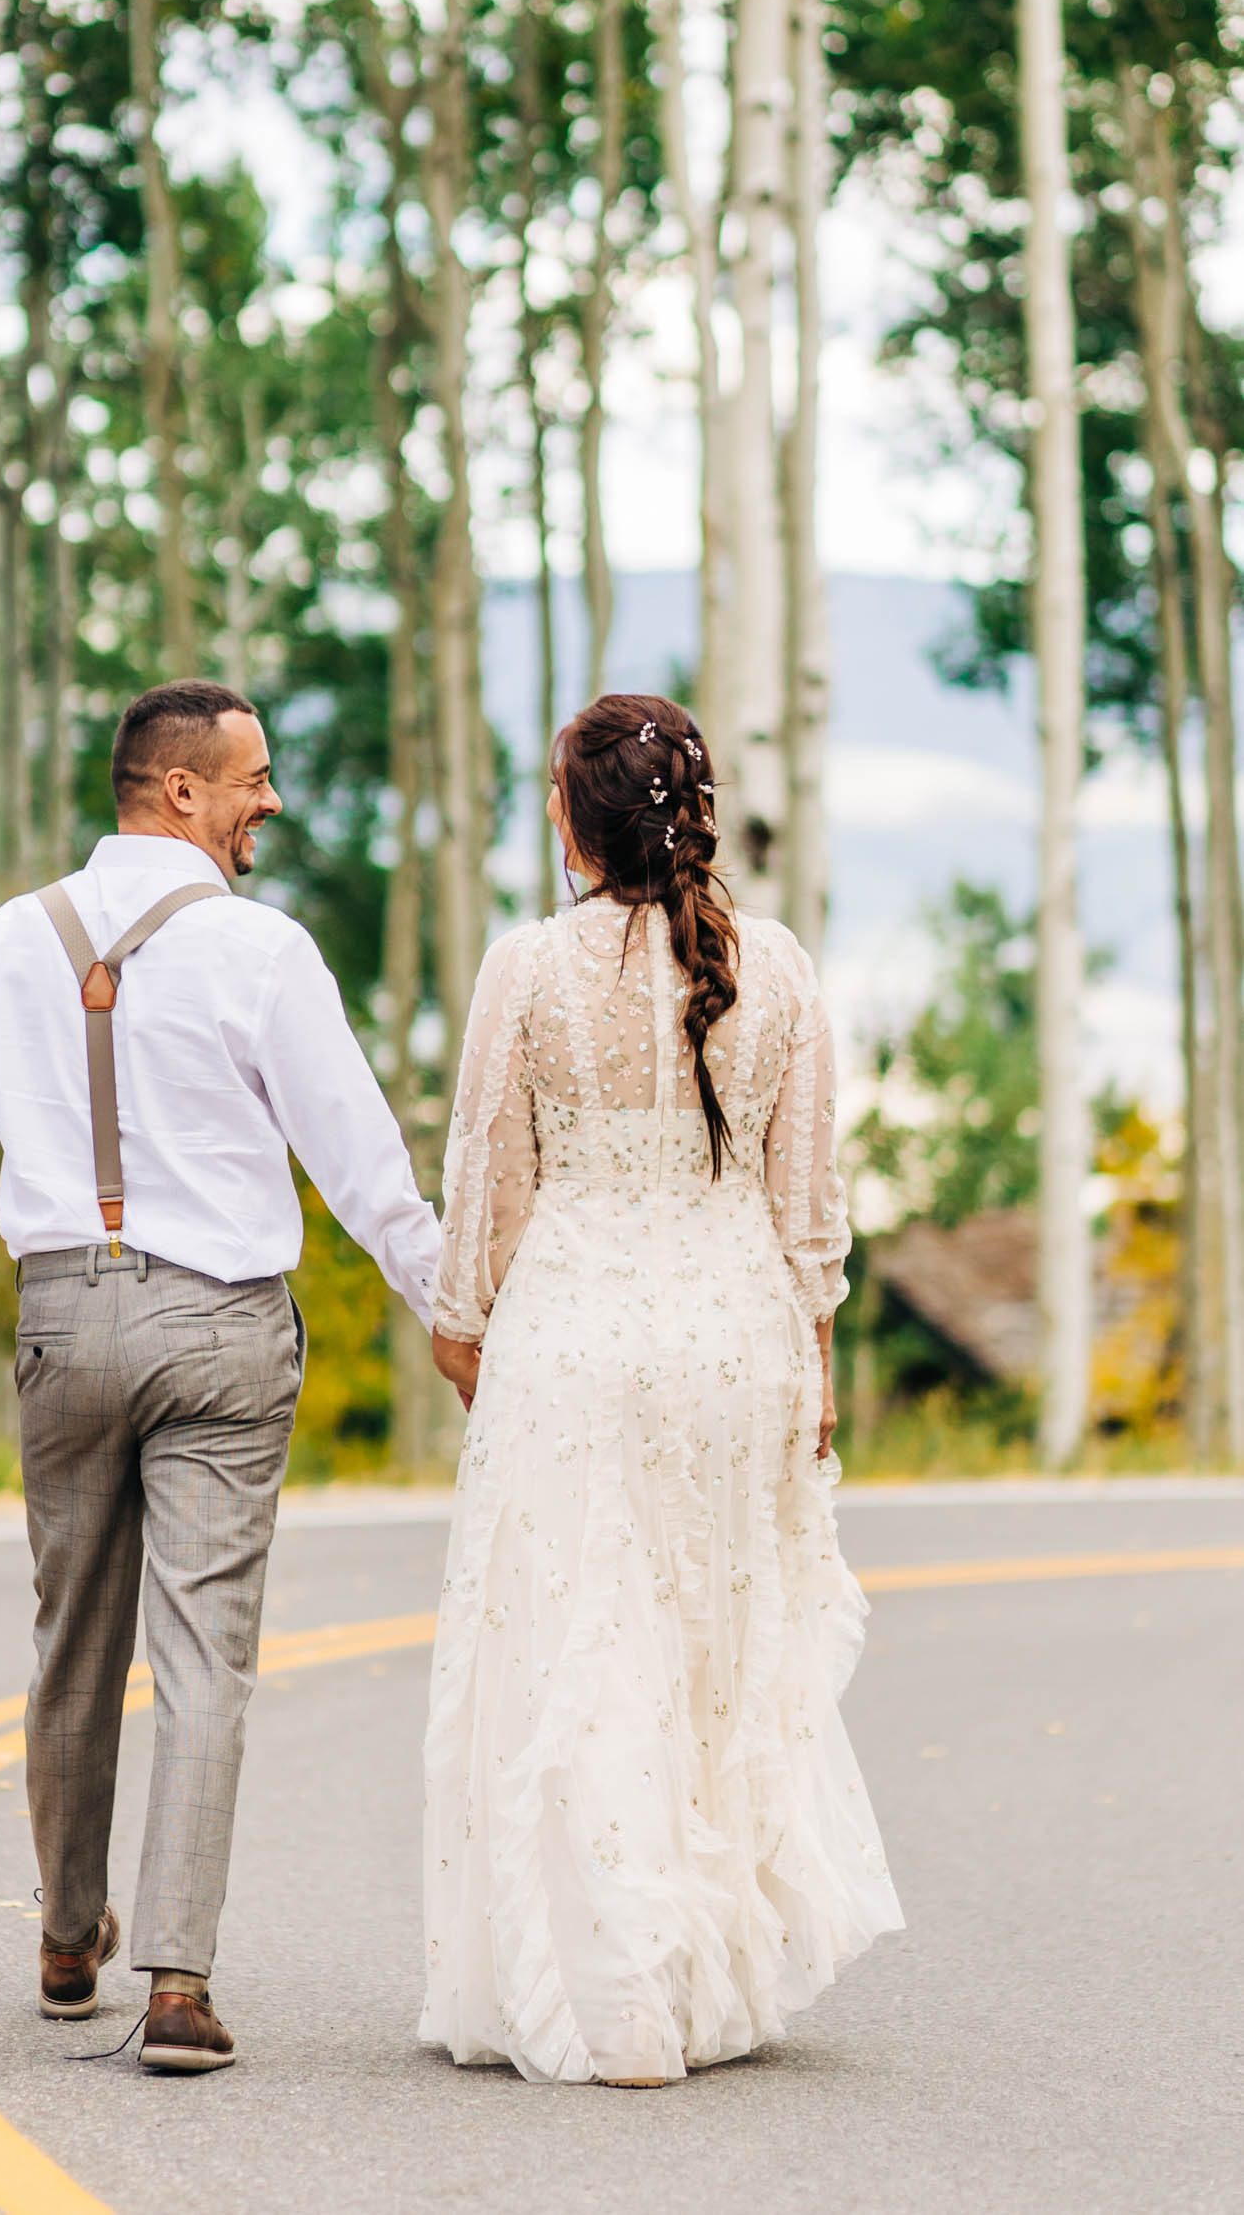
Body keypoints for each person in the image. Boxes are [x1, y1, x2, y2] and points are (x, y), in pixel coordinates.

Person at [0, 680, 441, 2074]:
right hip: (225, 1333)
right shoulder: (263, 954)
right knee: (204, 1656)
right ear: (180, 790)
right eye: (255, 777)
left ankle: (67, 1940)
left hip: (64, 1324)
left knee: (73, 1643)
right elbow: (361, 1163)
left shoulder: (10, 943)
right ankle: (178, 1982)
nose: (273, 803)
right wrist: (449, 1311)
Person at [420, 692, 903, 2087]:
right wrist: (810, 1377)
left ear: (574, 823)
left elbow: (485, 1185)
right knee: (710, 1647)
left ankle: (613, 1992)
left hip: (574, 1337)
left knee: (581, 1648)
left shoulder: (526, 971)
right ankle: (694, 1981)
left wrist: (470, 1339)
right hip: (735, 1340)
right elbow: (809, 1212)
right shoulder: (786, 971)